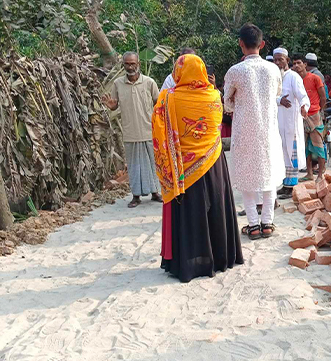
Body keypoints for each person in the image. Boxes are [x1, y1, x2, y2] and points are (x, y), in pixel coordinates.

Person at [151, 54, 243, 283]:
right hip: (213, 164)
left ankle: (188, 262)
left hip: (182, 168)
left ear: (178, 72)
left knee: (190, 214)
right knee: (216, 210)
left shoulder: (167, 99)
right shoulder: (214, 95)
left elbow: (158, 129)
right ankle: (221, 257)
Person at [224, 24, 284, 240]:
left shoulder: (235, 71)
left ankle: (253, 225)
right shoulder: (273, 69)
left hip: (244, 131)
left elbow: (227, 105)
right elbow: (277, 93)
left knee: (245, 175)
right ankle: (267, 223)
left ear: (240, 43)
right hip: (268, 130)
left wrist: (237, 103)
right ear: (263, 44)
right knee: (269, 174)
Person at [103, 52, 163, 208]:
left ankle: (155, 192)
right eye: (127, 64)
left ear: (138, 64)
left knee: (152, 163)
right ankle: (135, 196)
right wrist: (111, 106)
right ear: (123, 65)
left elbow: (159, 103)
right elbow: (114, 104)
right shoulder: (117, 84)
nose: (130, 67)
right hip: (130, 131)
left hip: (149, 130)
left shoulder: (149, 82)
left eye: (133, 64)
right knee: (134, 165)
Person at [273, 48, 310, 199]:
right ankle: (285, 184)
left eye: (280, 59)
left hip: (291, 123)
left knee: (291, 152)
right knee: (282, 153)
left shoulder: (293, 77)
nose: (277, 63)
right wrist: (278, 101)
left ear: (287, 61)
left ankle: (292, 184)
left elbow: (303, 96)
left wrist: (304, 107)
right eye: (275, 60)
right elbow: (269, 97)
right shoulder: (274, 77)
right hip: (277, 123)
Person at [292, 53, 326, 182]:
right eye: (294, 63)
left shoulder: (315, 78)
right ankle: (309, 173)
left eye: (299, 63)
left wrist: (318, 110)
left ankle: (320, 175)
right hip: (300, 116)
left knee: (318, 146)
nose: (296, 65)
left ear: (305, 64)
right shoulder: (294, 79)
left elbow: (323, 97)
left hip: (314, 115)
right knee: (305, 146)